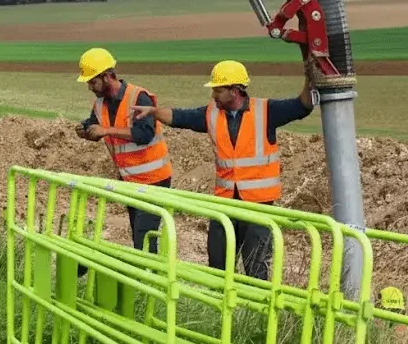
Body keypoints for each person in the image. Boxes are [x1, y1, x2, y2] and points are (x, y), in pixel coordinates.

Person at [130, 59, 316, 280]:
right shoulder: (211, 114)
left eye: (218, 90)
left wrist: (310, 78)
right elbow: (180, 117)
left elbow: (302, 106)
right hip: (224, 203)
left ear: (235, 90)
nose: (213, 95)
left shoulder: (267, 111)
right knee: (218, 265)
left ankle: (254, 312)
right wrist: (153, 111)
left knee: (256, 269)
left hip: (258, 206)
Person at [74, 47, 172, 254]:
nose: (90, 87)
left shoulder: (138, 97)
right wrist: (85, 130)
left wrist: (106, 130)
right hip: (129, 180)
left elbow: (145, 134)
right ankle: (145, 276)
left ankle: (148, 278)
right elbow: (96, 125)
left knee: (143, 238)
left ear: (108, 76)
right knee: (139, 233)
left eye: (93, 81)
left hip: (153, 179)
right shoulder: (100, 103)